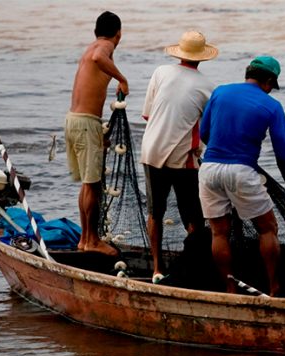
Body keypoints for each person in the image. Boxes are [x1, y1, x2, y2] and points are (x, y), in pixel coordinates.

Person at [198, 56, 285, 296]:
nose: (270, 90)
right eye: (271, 85)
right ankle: (274, 287)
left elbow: (204, 132)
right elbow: (284, 154)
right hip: (242, 171)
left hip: (209, 167)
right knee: (268, 229)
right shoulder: (271, 105)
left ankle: (230, 288)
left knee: (219, 232)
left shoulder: (220, 92)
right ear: (268, 81)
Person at [140, 30, 219, 283]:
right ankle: (194, 267)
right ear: (202, 57)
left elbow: (149, 115)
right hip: (182, 158)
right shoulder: (208, 87)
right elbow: (208, 130)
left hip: (151, 150)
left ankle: (156, 268)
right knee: (193, 216)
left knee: (155, 212)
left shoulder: (160, 72)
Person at [65, 11, 128, 257]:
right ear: (118, 34)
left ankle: (85, 239)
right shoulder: (104, 46)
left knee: (89, 184)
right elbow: (98, 57)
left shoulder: (91, 45)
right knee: (93, 184)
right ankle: (92, 240)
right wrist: (122, 79)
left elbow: (94, 59)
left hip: (75, 120)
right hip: (84, 123)